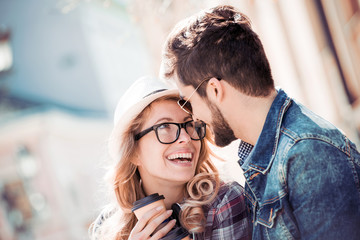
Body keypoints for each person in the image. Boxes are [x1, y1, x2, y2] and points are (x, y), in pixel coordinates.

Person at [160, 4, 360, 240]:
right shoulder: (265, 156)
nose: (193, 118)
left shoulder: (308, 154)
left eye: (189, 102)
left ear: (214, 90)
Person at [89, 76, 251, 240]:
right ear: (133, 153)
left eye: (189, 124)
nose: (186, 138)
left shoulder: (223, 204)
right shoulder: (106, 226)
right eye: (164, 126)